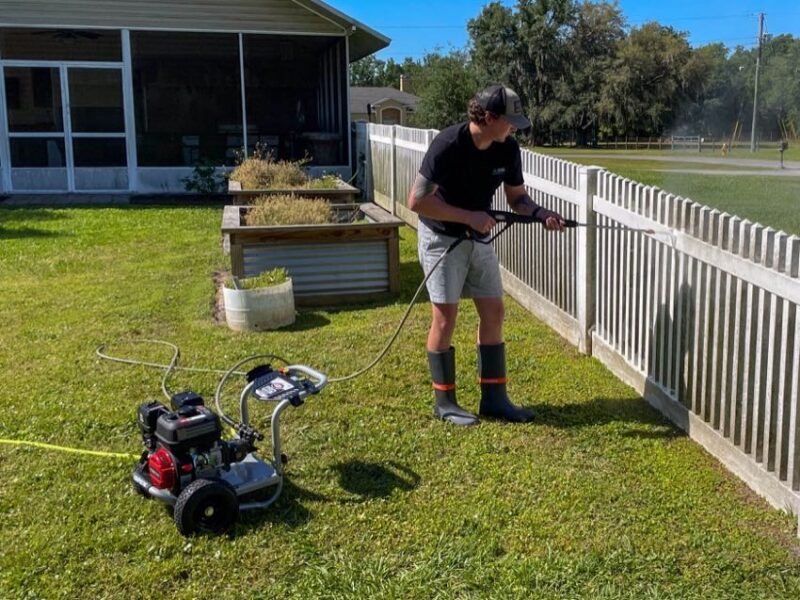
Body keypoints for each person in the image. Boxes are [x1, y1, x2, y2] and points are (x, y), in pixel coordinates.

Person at [408, 84, 565, 426]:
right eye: (510, 121)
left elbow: (517, 199)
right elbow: (417, 201)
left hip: (477, 239)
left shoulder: (507, 149)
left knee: (494, 311)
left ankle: (494, 400)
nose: (515, 128)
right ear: (490, 117)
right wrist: (470, 217)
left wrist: (541, 215)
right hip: (441, 237)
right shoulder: (449, 144)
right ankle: (445, 402)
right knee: (445, 317)